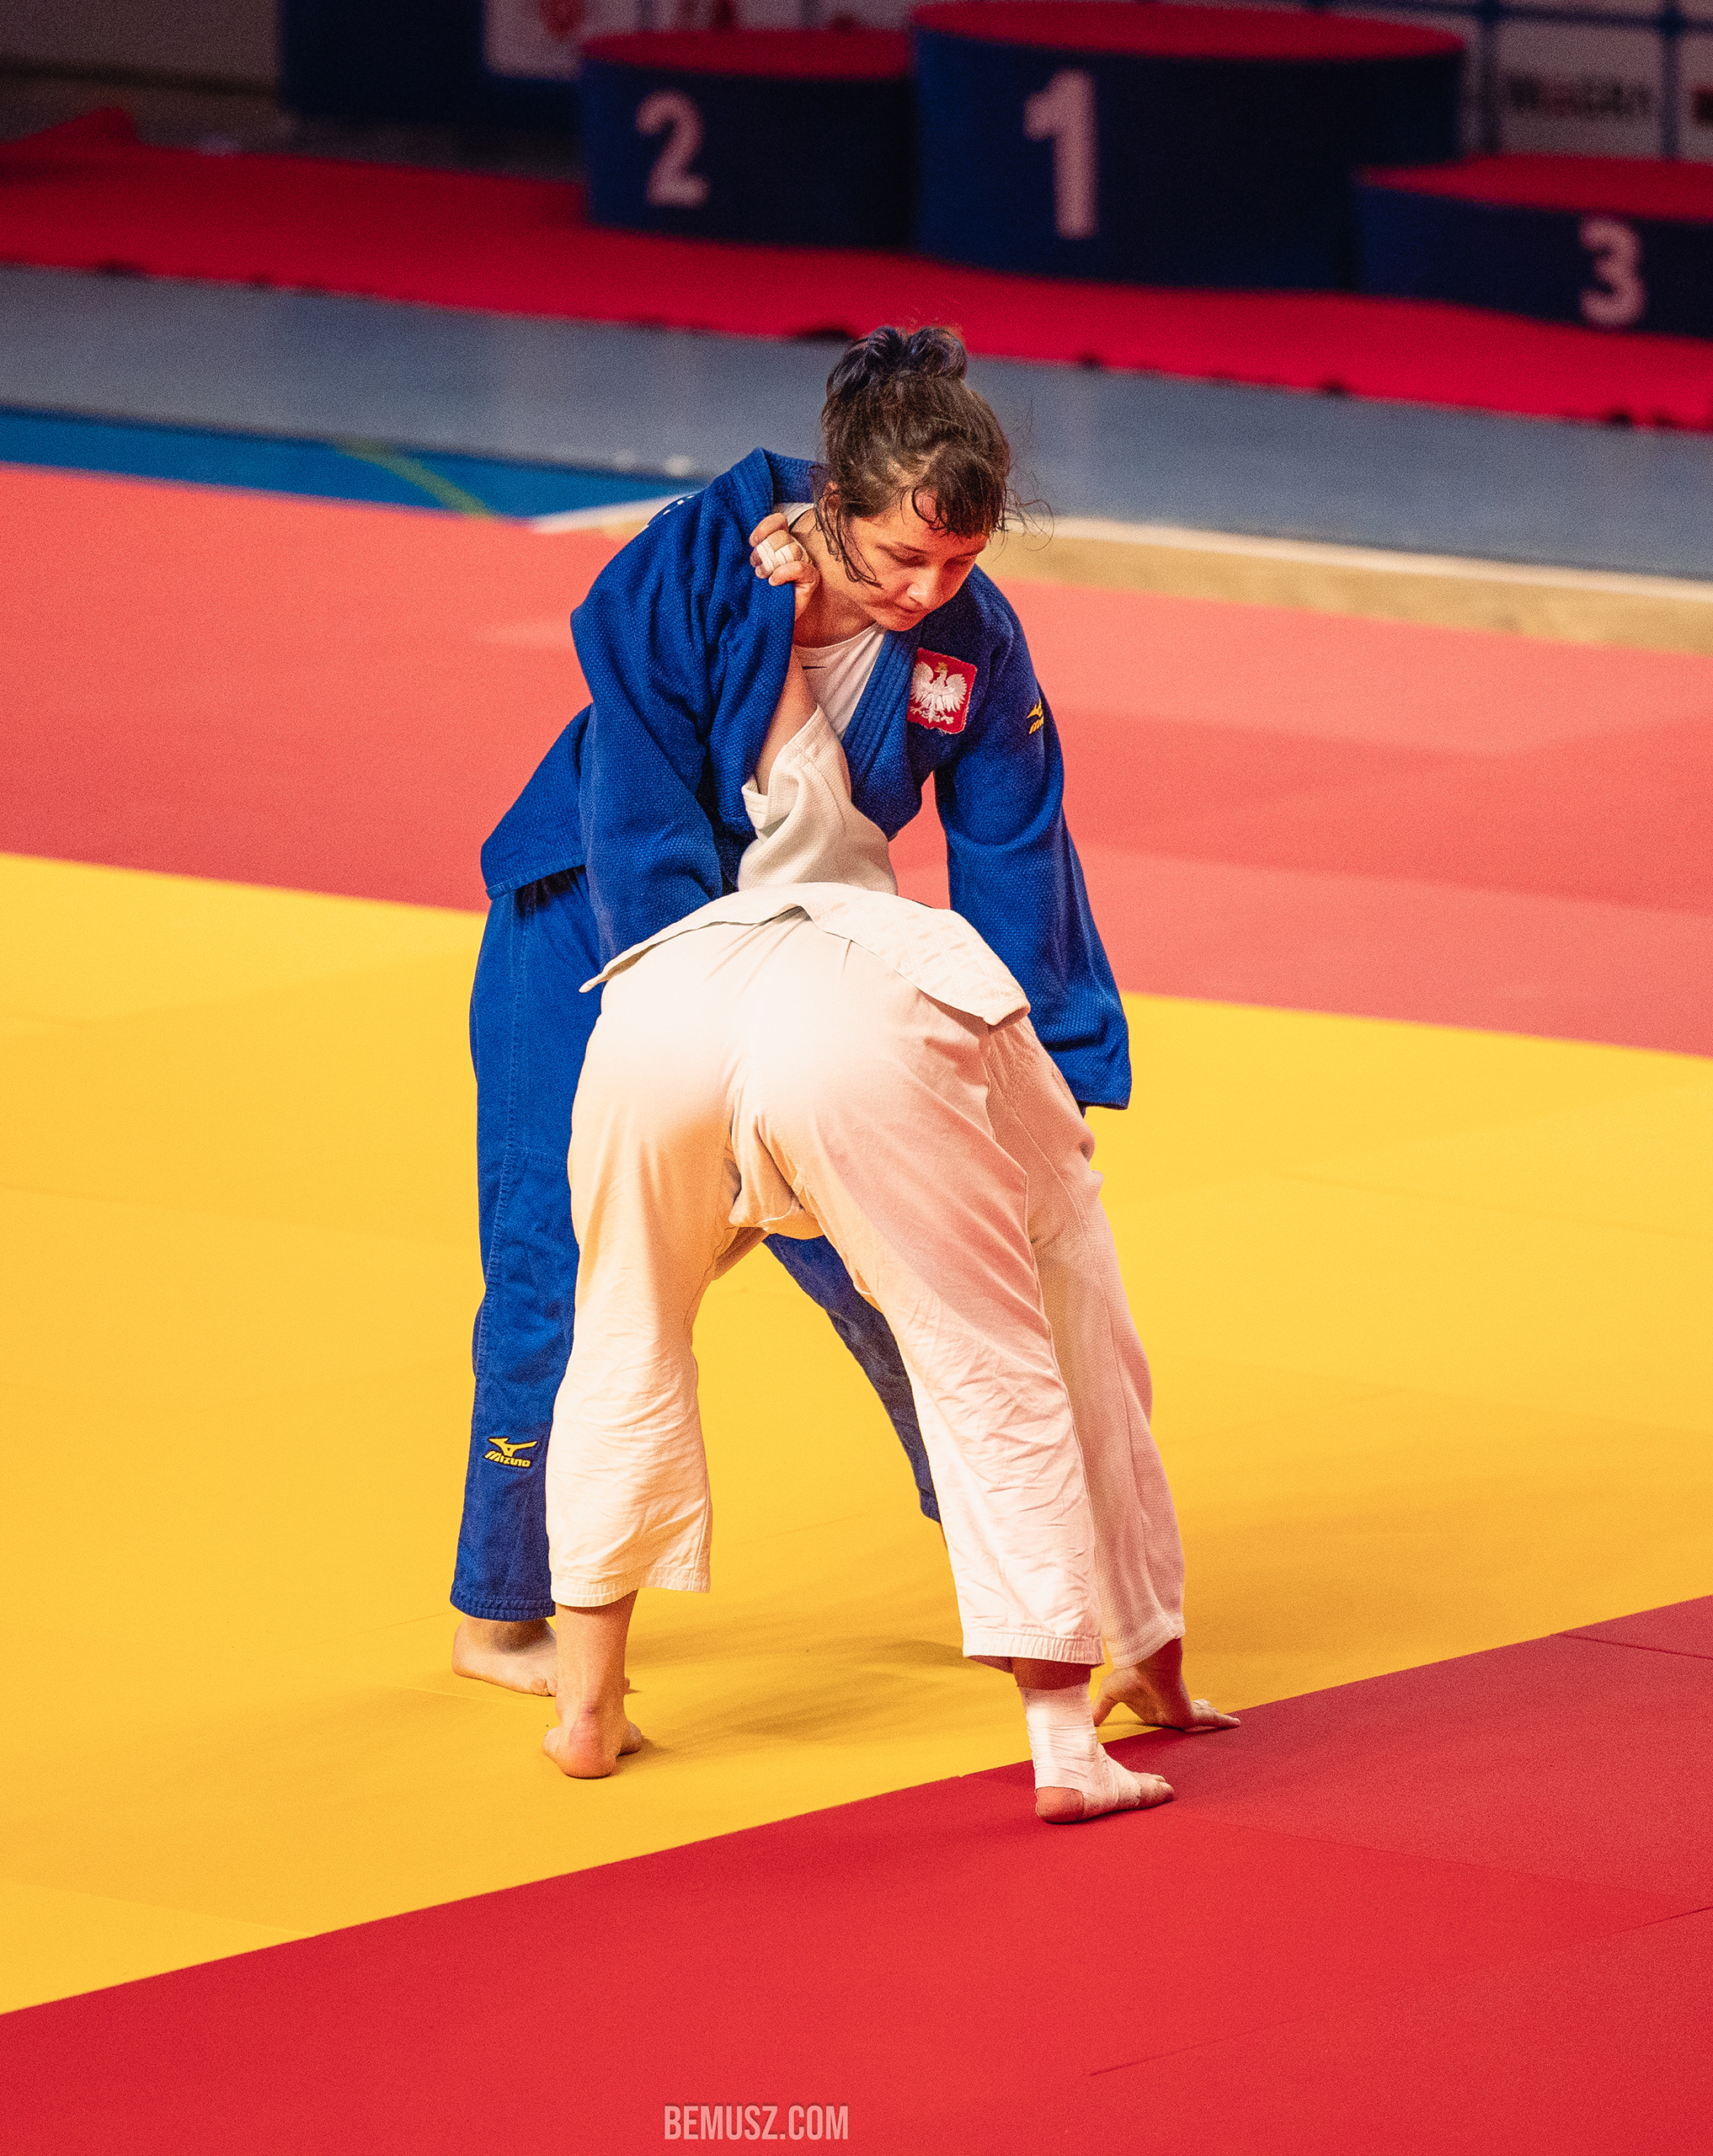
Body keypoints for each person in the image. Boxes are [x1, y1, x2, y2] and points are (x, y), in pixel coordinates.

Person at [473, 323, 1231, 1818]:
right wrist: (681, 984)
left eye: (958, 562)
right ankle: (506, 1607)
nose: (926, 589)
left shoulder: (971, 640)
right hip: (603, 927)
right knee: (571, 1273)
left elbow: (1016, 845)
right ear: (834, 499)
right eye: (899, 556)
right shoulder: (698, 566)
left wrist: (1049, 1056)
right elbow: (635, 799)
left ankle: (1021, 1581)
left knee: (908, 1271)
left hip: (817, 961)